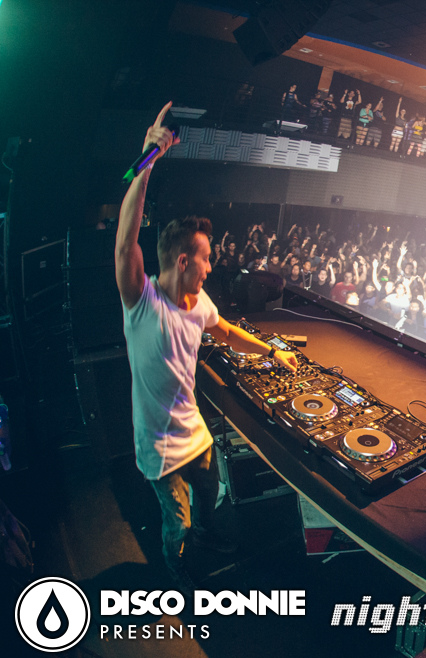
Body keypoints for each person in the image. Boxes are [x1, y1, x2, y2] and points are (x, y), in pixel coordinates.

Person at [115, 102, 298, 590]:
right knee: (177, 523)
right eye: (207, 258)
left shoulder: (200, 302)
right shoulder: (142, 302)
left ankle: (210, 537)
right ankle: (176, 567)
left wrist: (271, 351)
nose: (213, 266)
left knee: (210, 497)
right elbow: (125, 244)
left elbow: (228, 332)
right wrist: (148, 158)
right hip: (159, 449)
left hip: (195, 435)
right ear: (183, 260)